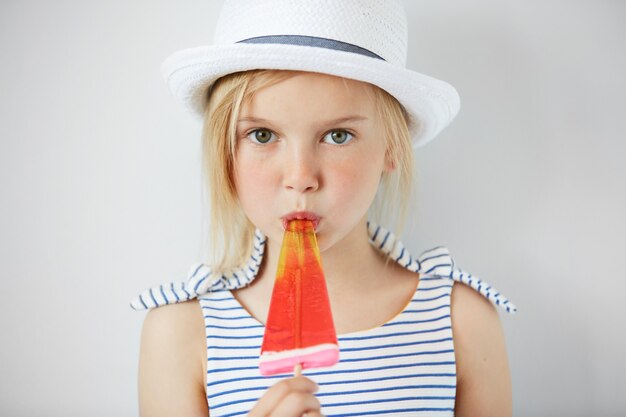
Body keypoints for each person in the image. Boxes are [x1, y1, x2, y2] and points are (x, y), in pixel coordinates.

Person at [131, 1, 516, 416]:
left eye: (337, 135)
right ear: (225, 152)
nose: (300, 177)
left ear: (391, 147)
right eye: (262, 134)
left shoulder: (460, 321)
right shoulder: (183, 332)